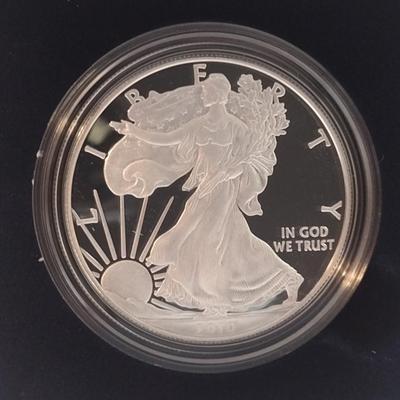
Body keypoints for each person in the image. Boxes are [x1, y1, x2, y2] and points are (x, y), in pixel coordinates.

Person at [107, 73, 304, 314]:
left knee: (210, 240)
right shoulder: (199, 125)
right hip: (206, 187)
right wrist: (132, 131)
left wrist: (224, 175)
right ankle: (286, 277)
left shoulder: (236, 127)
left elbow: (246, 161)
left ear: (219, 94)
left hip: (224, 189)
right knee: (235, 242)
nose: (203, 95)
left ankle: (216, 299)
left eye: (207, 91)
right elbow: (166, 139)